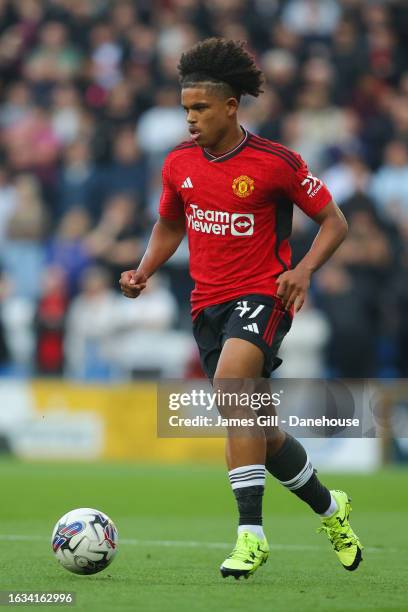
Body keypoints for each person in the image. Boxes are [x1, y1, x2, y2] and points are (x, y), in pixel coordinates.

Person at [120, 38, 362, 579]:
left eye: (200, 108)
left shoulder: (276, 163)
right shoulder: (178, 163)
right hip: (206, 305)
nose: (190, 119)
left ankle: (250, 535)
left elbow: (335, 221)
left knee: (232, 386)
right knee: (259, 428)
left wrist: (301, 271)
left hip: (264, 294)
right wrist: (143, 270)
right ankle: (331, 508)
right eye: (186, 109)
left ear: (231, 106)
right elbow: (170, 224)